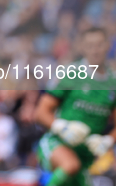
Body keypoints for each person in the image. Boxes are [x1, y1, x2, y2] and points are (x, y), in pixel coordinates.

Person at [35, 27, 116, 186]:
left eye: (99, 44)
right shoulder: (70, 74)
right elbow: (40, 113)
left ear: (107, 45)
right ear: (83, 47)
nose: (95, 50)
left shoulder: (113, 82)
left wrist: (107, 141)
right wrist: (62, 127)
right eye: (90, 45)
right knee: (70, 165)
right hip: (56, 144)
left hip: (85, 155)